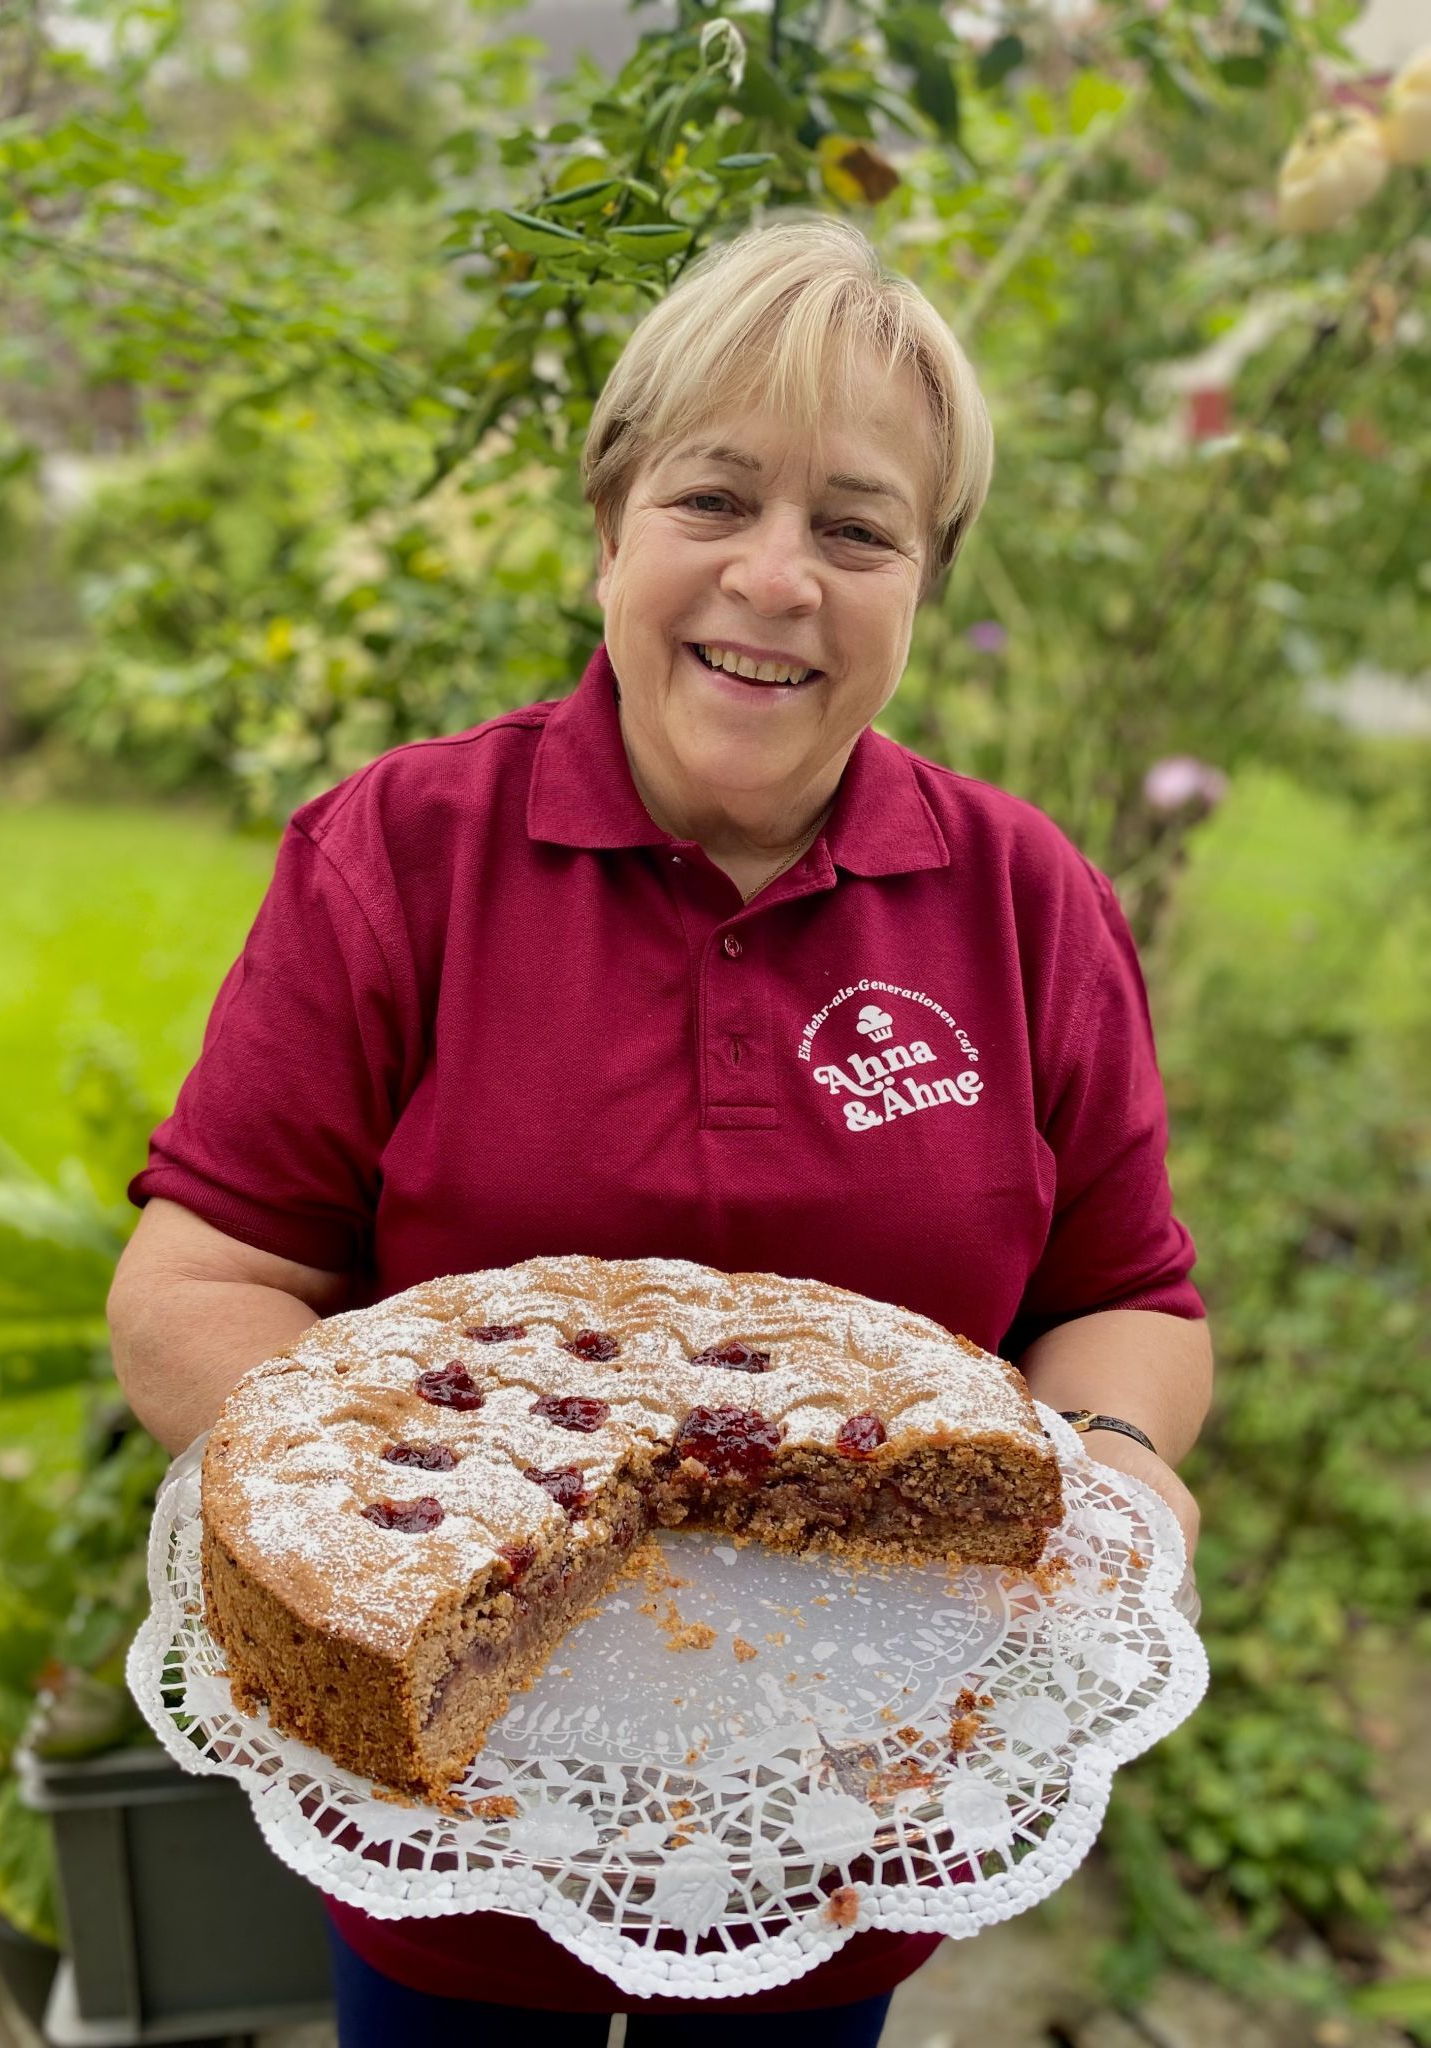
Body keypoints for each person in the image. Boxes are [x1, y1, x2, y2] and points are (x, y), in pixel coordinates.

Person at [108, 212, 1210, 2047]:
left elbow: (1130, 1298)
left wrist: (1104, 1447)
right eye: (716, 502)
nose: (777, 579)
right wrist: (404, 1529)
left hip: (855, 1815)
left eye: (857, 527)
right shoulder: (400, 853)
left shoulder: (1024, 900)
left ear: (922, 581)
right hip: (444, 1808)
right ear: (611, 529)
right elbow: (199, 1281)